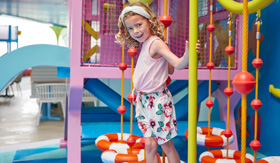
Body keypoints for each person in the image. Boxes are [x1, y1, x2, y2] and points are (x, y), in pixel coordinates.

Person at [115, 2, 199, 163]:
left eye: (139, 25)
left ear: (149, 21)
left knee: (166, 145)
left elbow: (178, 65)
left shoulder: (155, 43)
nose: (136, 31)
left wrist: (187, 56)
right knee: (149, 144)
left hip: (157, 101)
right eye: (131, 28)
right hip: (144, 101)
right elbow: (170, 70)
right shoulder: (147, 43)